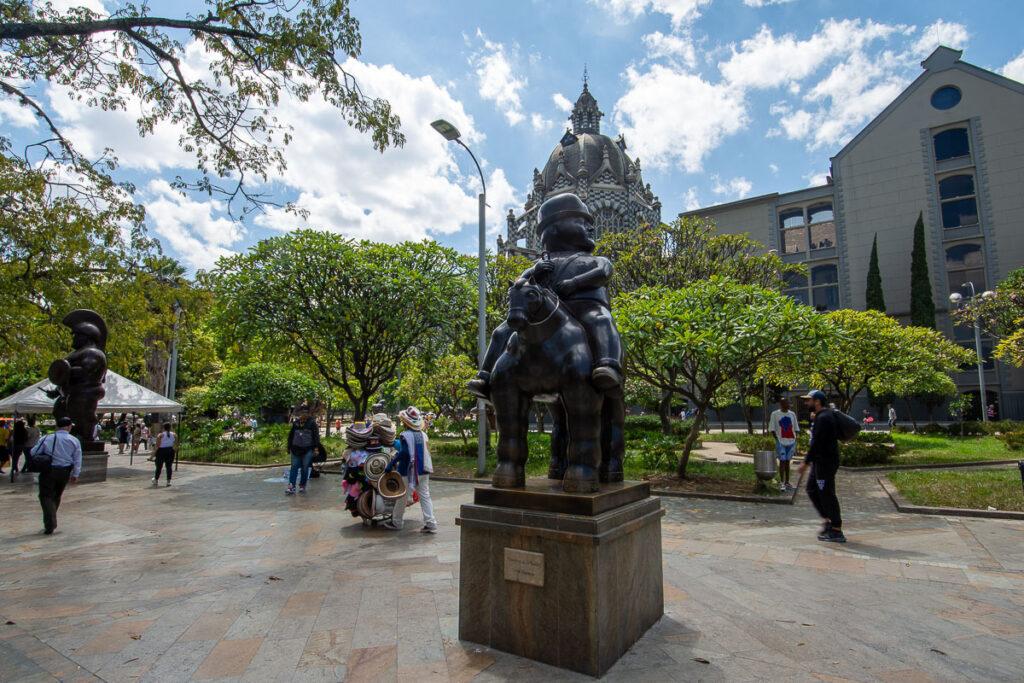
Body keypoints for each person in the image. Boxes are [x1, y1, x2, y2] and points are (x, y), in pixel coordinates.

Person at [798, 390, 846, 543]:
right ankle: (828, 520)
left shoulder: (824, 418)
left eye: (809, 400)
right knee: (812, 490)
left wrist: (805, 462)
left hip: (825, 462)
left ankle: (836, 529)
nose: (806, 403)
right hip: (820, 462)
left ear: (817, 402)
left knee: (827, 494)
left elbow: (817, 443)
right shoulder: (822, 416)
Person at [384, 406, 437, 533]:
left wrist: (391, 464)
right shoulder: (423, 435)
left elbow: (404, 453)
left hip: (408, 471)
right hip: (424, 469)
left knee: (402, 496)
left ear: (405, 422)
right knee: (425, 496)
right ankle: (431, 523)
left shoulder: (404, 435)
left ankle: (396, 522)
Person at [30, 416, 82, 534]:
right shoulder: (74, 440)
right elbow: (77, 459)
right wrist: (76, 474)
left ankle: (50, 522)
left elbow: (33, 452)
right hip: (64, 471)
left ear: (56, 426)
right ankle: (51, 517)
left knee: (45, 496)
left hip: (49, 470)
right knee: (57, 495)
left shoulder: (47, 438)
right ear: (69, 427)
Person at [286, 406, 320, 494]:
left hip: (307, 449)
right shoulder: (296, 423)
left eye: (306, 413)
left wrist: (316, 448)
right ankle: (291, 486)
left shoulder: (312, 424)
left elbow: (316, 436)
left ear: (308, 414)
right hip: (295, 449)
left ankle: (302, 485)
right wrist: (289, 447)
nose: (304, 415)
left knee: (305, 468)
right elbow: (291, 436)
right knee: (294, 467)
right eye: (302, 413)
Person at [768, 397, 799, 491]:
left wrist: (794, 438)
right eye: (786, 403)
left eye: (789, 403)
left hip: (791, 441)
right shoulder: (775, 414)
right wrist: (777, 438)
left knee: (787, 462)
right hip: (781, 442)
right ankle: (782, 483)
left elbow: (796, 428)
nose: (788, 404)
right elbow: (772, 428)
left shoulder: (792, 414)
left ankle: (787, 482)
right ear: (781, 404)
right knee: (782, 462)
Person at [151, 422, 178, 486]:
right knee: (169, 466)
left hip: (161, 451)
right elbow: (176, 445)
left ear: (163, 428)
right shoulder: (174, 435)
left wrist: (152, 455)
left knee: (159, 466)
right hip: (170, 450)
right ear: (170, 428)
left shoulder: (160, 435)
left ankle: (156, 479)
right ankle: (168, 481)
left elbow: (157, 446)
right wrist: (175, 451)